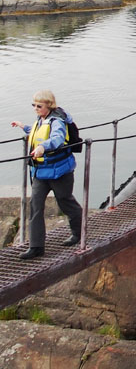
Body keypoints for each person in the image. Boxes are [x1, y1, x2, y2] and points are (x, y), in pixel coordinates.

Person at [11, 90, 83, 259]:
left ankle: (79, 233)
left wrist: (43, 147)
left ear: (48, 106)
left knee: (65, 201)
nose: (35, 108)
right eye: (33, 105)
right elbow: (37, 131)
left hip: (60, 172)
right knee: (35, 205)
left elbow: (57, 138)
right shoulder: (41, 119)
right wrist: (23, 126)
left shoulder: (57, 121)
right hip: (40, 172)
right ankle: (36, 247)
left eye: (39, 106)